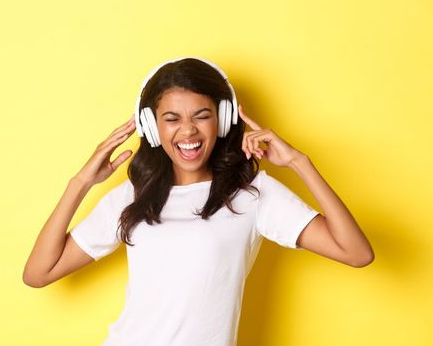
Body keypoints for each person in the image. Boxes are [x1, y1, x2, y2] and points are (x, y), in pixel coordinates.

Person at [22, 57, 375, 346]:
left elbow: (356, 253)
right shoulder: (133, 197)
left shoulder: (252, 194)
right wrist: (81, 182)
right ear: (152, 126)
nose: (188, 131)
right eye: (171, 119)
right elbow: (39, 273)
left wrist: (300, 162)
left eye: (201, 116)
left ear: (222, 120)